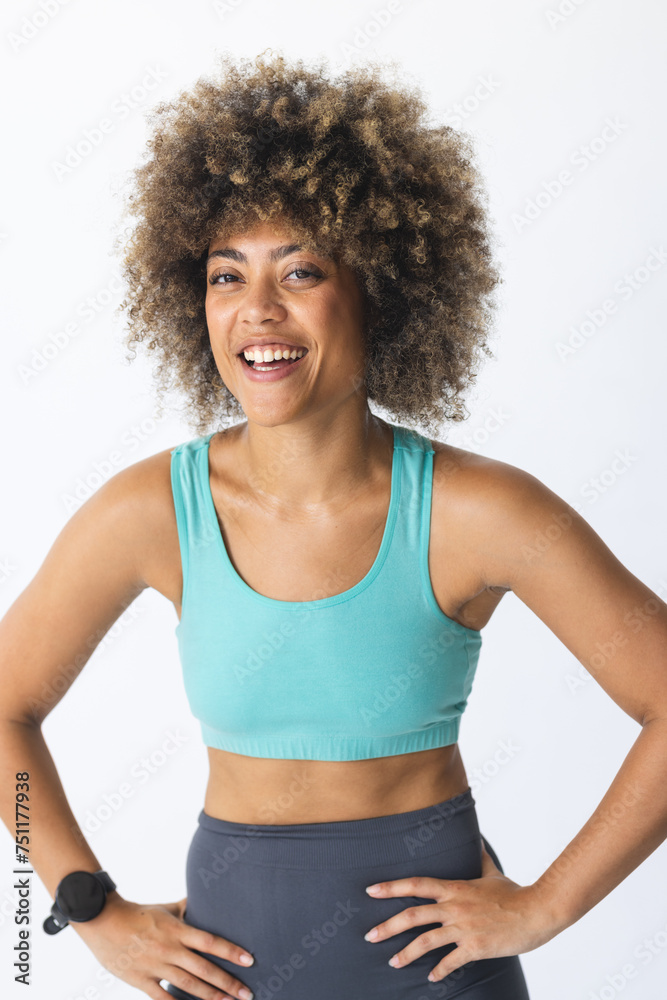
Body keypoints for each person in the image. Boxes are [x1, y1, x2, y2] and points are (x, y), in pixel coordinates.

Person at [1, 49, 666, 1000]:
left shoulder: (479, 511)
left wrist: (547, 907)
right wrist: (86, 907)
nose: (256, 312)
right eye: (227, 276)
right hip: (230, 978)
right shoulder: (150, 510)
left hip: (440, 978)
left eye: (300, 270)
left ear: (379, 291)